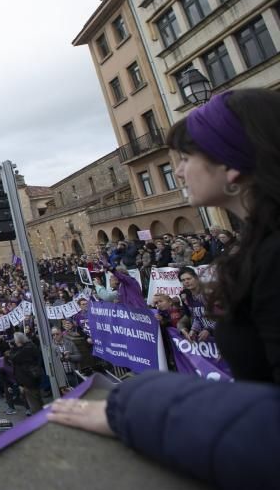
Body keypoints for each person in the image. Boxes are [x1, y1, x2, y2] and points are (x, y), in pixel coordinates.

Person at [49, 89, 280, 489]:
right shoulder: (259, 248)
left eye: (187, 158)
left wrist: (134, 407)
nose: (177, 171)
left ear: (232, 168)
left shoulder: (274, 258)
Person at [11, 332, 44, 415]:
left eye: (15, 340)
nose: (14, 342)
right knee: (37, 400)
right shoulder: (30, 346)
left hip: (29, 379)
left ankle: (40, 422)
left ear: (19, 341)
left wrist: (13, 348)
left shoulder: (27, 349)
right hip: (31, 378)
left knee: (34, 404)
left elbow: (14, 357)